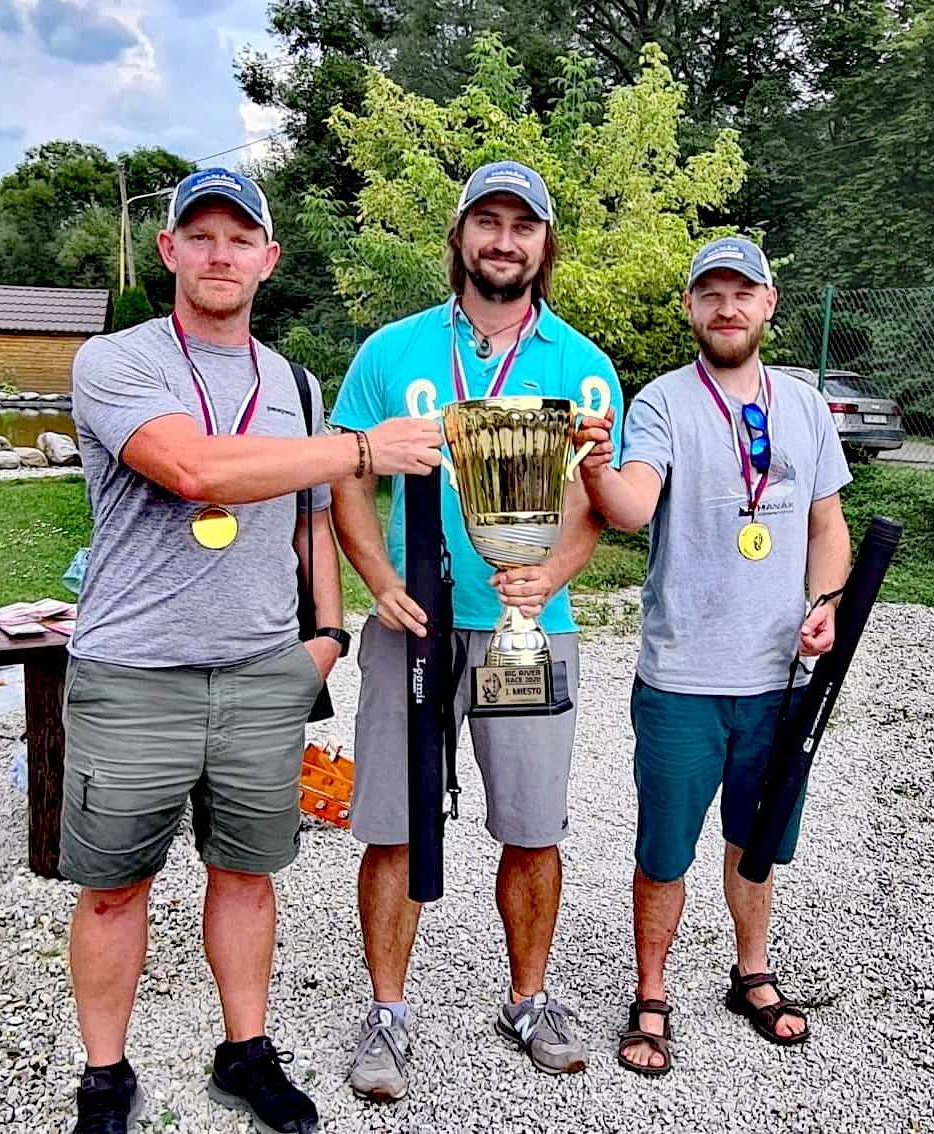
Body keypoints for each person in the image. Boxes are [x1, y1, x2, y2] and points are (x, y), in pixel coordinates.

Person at [62, 167, 443, 1134]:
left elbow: (312, 520)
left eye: (240, 239)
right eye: (201, 236)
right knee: (113, 890)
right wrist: (366, 450)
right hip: (134, 670)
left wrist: (327, 635)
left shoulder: (295, 385)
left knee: (245, 875)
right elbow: (193, 468)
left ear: (268, 260)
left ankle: (246, 1052)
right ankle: (104, 1075)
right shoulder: (115, 360)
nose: (220, 255)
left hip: (261, 670)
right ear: (168, 250)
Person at [329, 160, 624, 1101]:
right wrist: (377, 578)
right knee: (391, 823)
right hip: (413, 624)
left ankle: (528, 1000)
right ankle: (387, 1011)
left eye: (522, 225)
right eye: (486, 222)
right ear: (459, 236)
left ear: (545, 243)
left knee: (533, 828)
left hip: (526, 633)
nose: (504, 241)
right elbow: (347, 472)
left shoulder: (582, 365)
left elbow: (595, 498)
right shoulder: (392, 351)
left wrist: (553, 575)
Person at [575, 237, 853, 1076]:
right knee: (665, 849)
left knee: (755, 839)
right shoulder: (662, 402)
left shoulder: (805, 406)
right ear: (691, 308)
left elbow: (827, 525)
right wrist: (596, 470)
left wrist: (825, 603)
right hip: (682, 679)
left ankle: (751, 972)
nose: (726, 308)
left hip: (780, 679)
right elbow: (632, 507)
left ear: (769, 303)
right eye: (711, 294)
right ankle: (651, 990)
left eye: (742, 292)